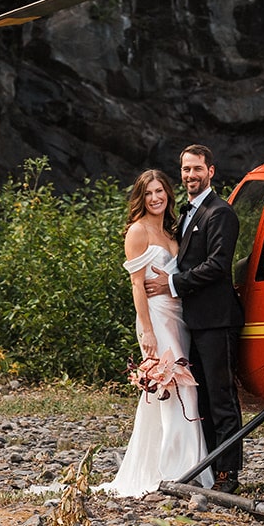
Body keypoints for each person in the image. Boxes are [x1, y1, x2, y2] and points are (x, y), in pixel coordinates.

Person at [106, 169, 213, 497]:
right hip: (155, 317)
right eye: (149, 193)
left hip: (178, 315)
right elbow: (137, 285)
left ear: (168, 194)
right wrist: (147, 333)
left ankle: (169, 464)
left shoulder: (171, 229)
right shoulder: (137, 232)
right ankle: (178, 470)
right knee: (176, 387)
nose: (155, 198)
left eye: (160, 192)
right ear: (141, 197)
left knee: (166, 393)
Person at [144, 144, 244, 493]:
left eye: (197, 169)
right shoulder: (186, 214)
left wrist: (171, 283)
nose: (190, 176)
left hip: (217, 320)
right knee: (200, 400)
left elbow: (218, 266)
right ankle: (210, 469)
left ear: (211, 171)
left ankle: (228, 475)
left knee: (221, 398)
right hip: (193, 322)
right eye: (185, 170)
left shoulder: (220, 213)